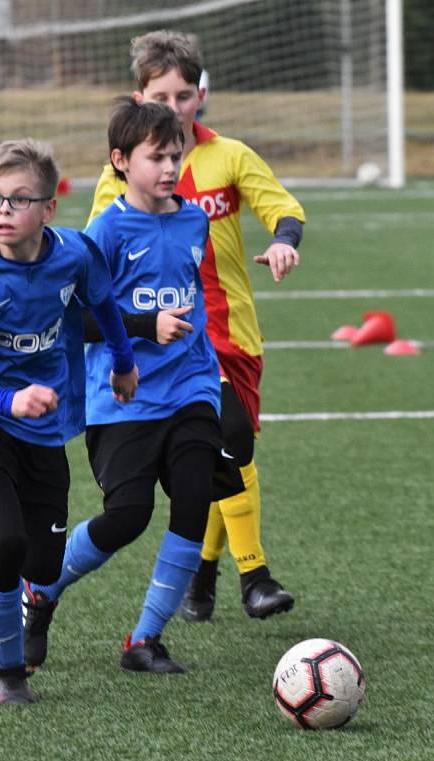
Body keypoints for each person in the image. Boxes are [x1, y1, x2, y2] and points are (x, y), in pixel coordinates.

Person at [88, 30, 306, 623]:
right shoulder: (119, 182)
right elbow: (91, 273)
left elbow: (282, 208)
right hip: (164, 349)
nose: (177, 108)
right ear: (139, 97)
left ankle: (202, 574)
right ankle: (255, 576)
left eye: (186, 95)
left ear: (200, 95)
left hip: (230, 332)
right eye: (163, 95)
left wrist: (284, 243)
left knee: (216, 457)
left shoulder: (227, 156)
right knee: (227, 441)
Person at [23, 97, 244, 675]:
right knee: (129, 515)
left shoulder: (195, 219)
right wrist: (146, 326)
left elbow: (191, 294)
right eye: (156, 158)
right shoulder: (106, 232)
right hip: (124, 398)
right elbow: (79, 318)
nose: (169, 168)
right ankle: (42, 589)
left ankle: (144, 640)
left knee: (195, 501)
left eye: (176, 155)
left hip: (192, 387)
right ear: (121, 161)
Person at [0, 138, 138, 705]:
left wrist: (124, 364)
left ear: (49, 206)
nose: (4, 212)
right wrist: (5, 401)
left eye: (18, 199)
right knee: (9, 543)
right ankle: (7, 674)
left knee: (43, 562)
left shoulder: (74, 254)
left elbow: (104, 303)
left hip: (42, 429)